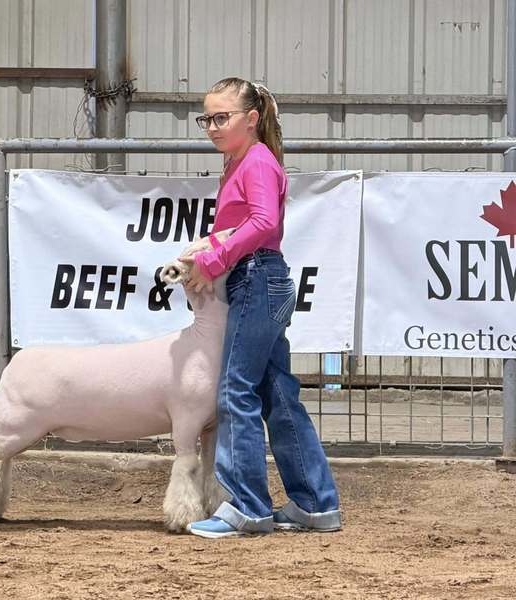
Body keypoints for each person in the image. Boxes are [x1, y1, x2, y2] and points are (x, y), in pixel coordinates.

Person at [183, 78, 341, 538]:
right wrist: (211, 251)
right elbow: (250, 225)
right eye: (207, 119)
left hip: (254, 278)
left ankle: (248, 507)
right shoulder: (248, 161)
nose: (213, 127)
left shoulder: (254, 161)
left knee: (236, 390)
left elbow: (263, 222)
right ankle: (315, 504)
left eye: (222, 117)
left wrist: (213, 259)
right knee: (277, 392)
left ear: (251, 119)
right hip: (261, 278)